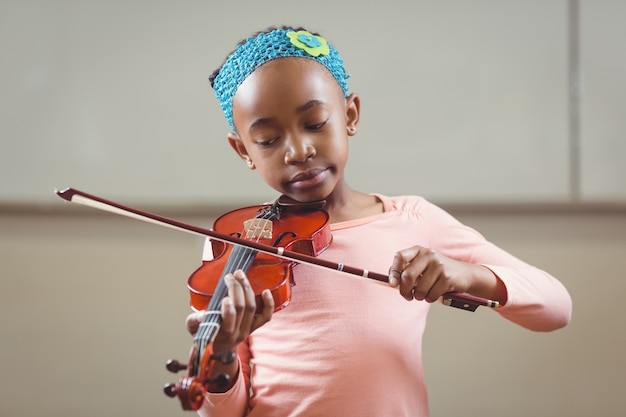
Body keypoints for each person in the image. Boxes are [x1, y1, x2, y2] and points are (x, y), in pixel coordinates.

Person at [184, 26, 572, 417]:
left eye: (315, 123)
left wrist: (467, 274)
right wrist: (221, 357)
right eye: (268, 140)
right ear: (243, 150)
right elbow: (222, 412)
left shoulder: (413, 219)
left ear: (350, 115)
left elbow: (557, 306)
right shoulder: (238, 243)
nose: (299, 151)